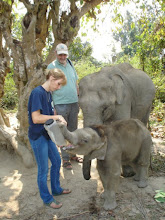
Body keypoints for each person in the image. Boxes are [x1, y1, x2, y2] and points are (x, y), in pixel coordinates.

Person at [28, 68, 71, 209]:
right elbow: (36, 118)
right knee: (43, 169)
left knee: (57, 161)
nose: (59, 87)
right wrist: (56, 117)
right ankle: (47, 199)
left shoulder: (48, 93)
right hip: (38, 136)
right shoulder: (37, 93)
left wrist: (57, 124)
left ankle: (56, 189)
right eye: (58, 84)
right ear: (51, 78)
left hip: (47, 134)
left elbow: (49, 116)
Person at [47, 43, 83, 170]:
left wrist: (78, 99)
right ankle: (65, 159)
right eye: (60, 54)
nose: (62, 56)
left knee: (73, 131)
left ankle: (73, 154)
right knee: (62, 132)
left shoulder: (70, 64)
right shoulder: (51, 67)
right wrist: (53, 107)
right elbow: (49, 89)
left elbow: (75, 83)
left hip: (73, 103)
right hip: (60, 104)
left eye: (64, 54)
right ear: (56, 53)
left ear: (67, 54)